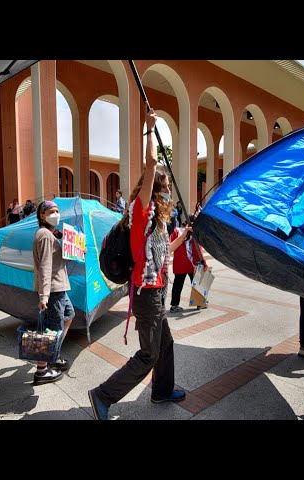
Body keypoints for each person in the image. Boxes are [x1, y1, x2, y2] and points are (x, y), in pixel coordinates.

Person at [88, 106, 185, 420]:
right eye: (166, 187)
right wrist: (149, 128)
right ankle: (103, 395)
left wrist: (183, 237)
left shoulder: (154, 223)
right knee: (148, 354)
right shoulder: (141, 210)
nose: (169, 192)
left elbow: (158, 254)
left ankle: (161, 391)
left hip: (153, 291)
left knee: (165, 344)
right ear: (154, 189)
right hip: (147, 296)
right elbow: (152, 162)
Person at [30, 200, 79, 385]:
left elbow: (57, 260)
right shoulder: (44, 235)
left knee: (68, 316)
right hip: (52, 290)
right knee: (52, 329)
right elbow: (45, 266)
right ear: (42, 215)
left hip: (60, 287)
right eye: (52, 211)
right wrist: (44, 296)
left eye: (58, 210)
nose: (56, 214)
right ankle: (42, 370)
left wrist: (73, 250)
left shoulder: (51, 234)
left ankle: (54, 355)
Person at [169, 215, 208, 313]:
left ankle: (174, 305)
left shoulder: (176, 231)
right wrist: (204, 262)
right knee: (197, 284)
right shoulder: (193, 233)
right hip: (192, 264)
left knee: (177, 285)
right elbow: (197, 249)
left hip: (179, 263)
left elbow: (170, 243)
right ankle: (200, 303)